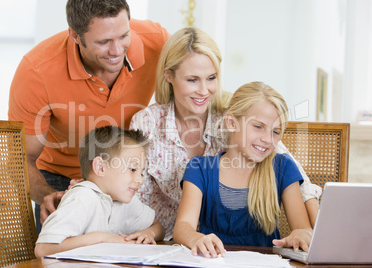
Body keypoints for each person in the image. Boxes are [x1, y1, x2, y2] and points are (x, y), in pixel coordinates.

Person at [130, 27, 321, 240]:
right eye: (193, 80)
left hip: (223, 237)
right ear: (169, 76)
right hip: (169, 236)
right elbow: (137, 193)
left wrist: (316, 231)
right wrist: (149, 232)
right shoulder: (147, 122)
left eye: (211, 78)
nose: (204, 90)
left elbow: (282, 159)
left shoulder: (232, 114)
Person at [8, 0, 170, 233]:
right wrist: (50, 196)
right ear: (75, 35)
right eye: (103, 42)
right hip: (60, 179)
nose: (116, 50)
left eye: (124, 36)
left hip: (125, 176)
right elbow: (21, 158)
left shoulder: (158, 41)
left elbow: (196, 77)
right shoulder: (36, 72)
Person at [173, 81, 313, 258]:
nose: (268, 139)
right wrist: (194, 238)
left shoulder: (282, 168)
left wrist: (301, 234)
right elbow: (183, 226)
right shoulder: (200, 169)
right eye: (258, 127)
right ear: (232, 122)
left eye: (275, 132)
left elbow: (302, 227)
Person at [34, 126, 165, 258]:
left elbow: (158, 227)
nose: (140, 180)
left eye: (141, 173)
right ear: (100, 167)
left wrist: (149, 233)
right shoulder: (81, 198)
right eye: (132, 169)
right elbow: (43, 249)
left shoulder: (122, 199)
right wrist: (102, 239)